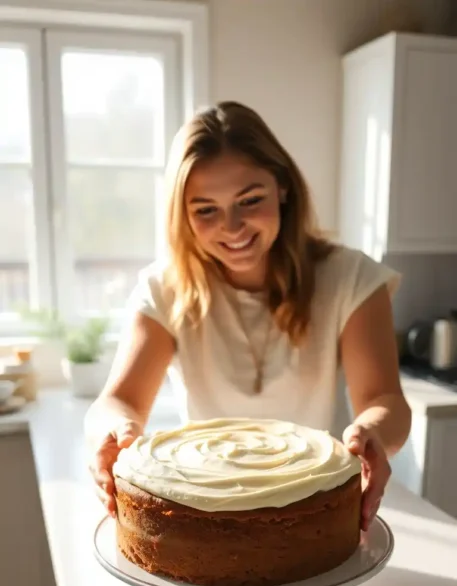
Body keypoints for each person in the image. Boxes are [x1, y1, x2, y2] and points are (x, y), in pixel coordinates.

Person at [85, 100, 411, 530]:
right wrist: (114, 429)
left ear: (283, 188)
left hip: (313, 514)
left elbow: (385, 401)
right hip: (207, 521)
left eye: (249, 199)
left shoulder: (350, 277)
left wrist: (371, 433)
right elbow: (117, 401)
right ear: (183, 216)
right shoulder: (164, 288)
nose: (233, 226)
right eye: (206, 209)